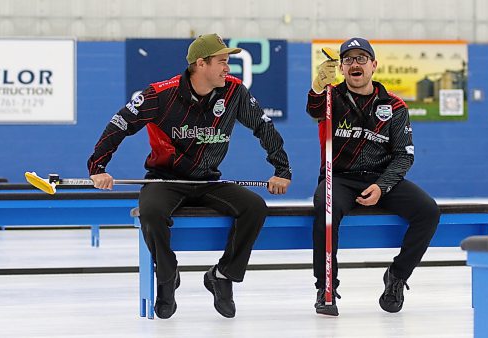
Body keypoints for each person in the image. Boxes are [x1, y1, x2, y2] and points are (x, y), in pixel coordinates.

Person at [87, 33, 292, 319]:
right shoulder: (160, 94)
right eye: (222, 61)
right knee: (151, 213)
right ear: (200, 63)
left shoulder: (234, 91)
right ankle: (167, 278)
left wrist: (282, 170)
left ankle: (222, 275)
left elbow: (264, 127)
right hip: (165, 179)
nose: (227, 68)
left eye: (228, 62)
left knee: (254, 207)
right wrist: (98, 168)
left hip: (209, 180)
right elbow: (119, 124)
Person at [306, 37, 440, 316]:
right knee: (325, 210)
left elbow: (404, 155)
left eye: (361, 59)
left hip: (381, 178)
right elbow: (314, 110)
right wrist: (318, 87)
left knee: (428, 211)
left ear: (373, 65)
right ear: (342, 68)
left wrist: (382, 186)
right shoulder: (332, 97)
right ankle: (326, 287)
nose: (355, 64)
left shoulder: (394, 106)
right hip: (339, 179)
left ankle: (397, 277)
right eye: (348, 60)